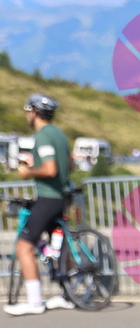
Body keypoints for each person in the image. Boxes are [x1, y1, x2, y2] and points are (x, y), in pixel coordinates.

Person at [5, 94, 75, 316]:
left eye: (28, 111)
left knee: (23, 247)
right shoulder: (59, 134)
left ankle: (34, 302)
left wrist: (29, 171)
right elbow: (70, 165)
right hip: (63, 195)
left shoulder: (43, 135)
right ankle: (68, 295)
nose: (27, 115)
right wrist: (38, 162)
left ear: (34, 112)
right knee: (59, 247)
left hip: (49, 197)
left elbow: (51, 169)